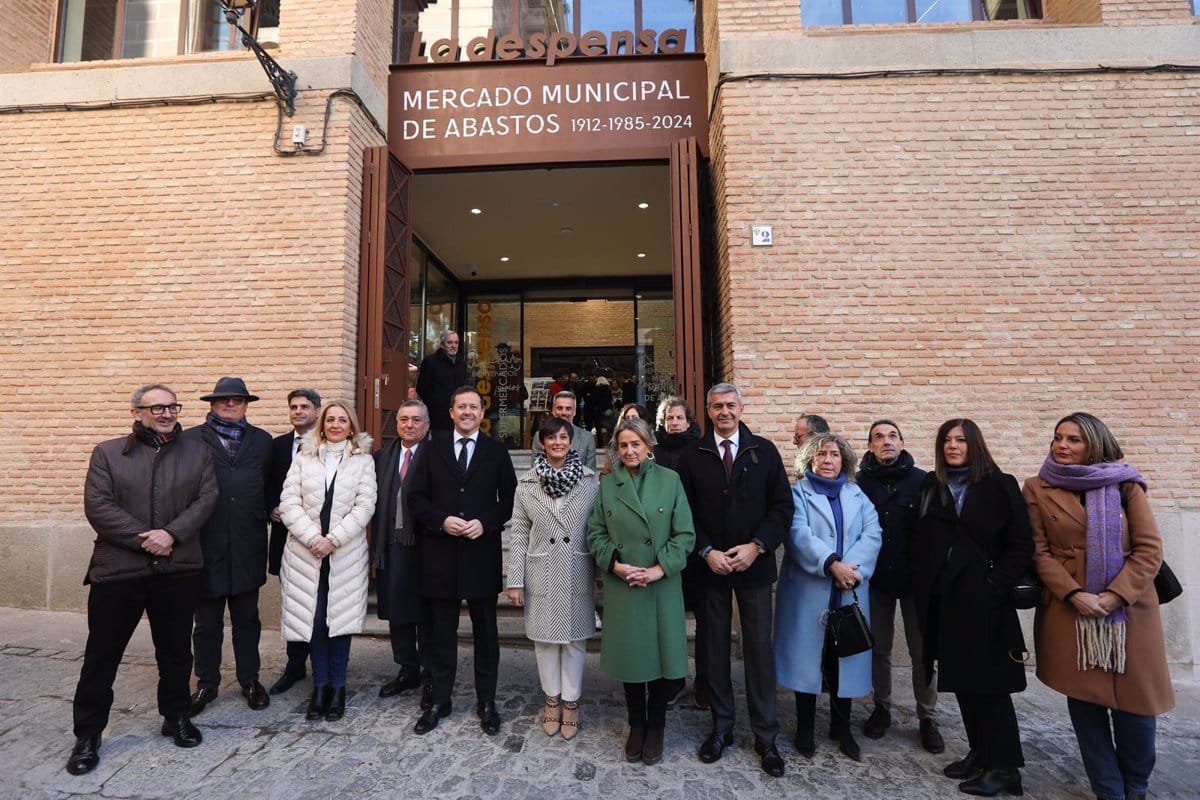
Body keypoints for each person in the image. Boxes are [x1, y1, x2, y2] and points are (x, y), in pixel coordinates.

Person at [67, 384, 218, 775]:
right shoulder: (108, 453)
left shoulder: (198, 451)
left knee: (175, 652)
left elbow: (206, 499)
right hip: (119, 570)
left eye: (172, 407)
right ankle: (88, 734)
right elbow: (98, 505)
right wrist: (145, 539)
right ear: (136, 412)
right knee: (102, 656)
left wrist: (171, 534)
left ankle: (177, 717)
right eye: (157, 408)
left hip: (177, 568)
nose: (166, 414)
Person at [1023, 413, 1174, 800]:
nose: (1062, 445)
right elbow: (1039, 553)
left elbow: (1149, 549)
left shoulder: (1126, 484)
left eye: (1074, 439)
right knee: (1086, 705)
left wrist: (1114, 596)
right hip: (1070, 610)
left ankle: (1136, 785)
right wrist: (1075, 594)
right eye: (1058, 437)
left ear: (1094, 443)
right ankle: (1109, 790)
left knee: (1137, 706)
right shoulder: (1037, 487)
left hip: (1130, 610)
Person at [912, 419, 1033, 797]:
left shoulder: (1000, 484)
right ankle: (981, 753)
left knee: (991, 685)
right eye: (946, 440)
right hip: (947, 601)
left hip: (986, 603)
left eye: (961, 440)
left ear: (975, 445)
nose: (952, 446)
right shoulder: (934, 485)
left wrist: (994, 583)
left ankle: (1005, 767)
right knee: (964, 682)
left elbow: (1021, 544)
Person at [679, 383, 792, 777]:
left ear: (741, 408)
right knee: (714, 651)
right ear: (708, 411)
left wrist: (757, 546)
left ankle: (766, 735)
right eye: (716, 406)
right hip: (710, 569)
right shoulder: (693, 455)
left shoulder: (765, 451)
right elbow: (684, 511)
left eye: (730, 405)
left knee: (759, 651)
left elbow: (782, 508)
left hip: (754, 567)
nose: (724, 411)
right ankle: (721, 728)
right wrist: (705, 550)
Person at [407, 386, 517, 736]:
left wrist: (486, 522)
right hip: (440, 556)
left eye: (474, 406)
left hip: (481, 554)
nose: (467, 412)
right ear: (451, 412)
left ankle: (487, 701)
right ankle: (440, 700)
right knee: (441, 634)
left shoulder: (497, 451)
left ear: (482, 414)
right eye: (461, 407)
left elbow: (509, 499)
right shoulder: (432, 449)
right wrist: (441, 520)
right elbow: (415, 497)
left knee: (486, 634)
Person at [586, 418, 695, 766]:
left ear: (649, 446)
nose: (630, 451)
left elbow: (685, 534)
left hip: (661, 584)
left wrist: (658, 569)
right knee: (632, 661)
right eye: (623, 445)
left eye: (636, 444)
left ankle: (657, 727)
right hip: (624, 584)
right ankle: (637, 725)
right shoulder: (607, 485)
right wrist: (616, 565)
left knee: (660, 660)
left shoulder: (670, 480)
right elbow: (595, 534)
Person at [775, 433, 881, 762]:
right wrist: (832, 564)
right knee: (809, 661)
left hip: (848, 591)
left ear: (843, 461)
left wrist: (851, 570)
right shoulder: (798, 494)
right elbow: (798, 534)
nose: (828, 460)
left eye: (834, 454)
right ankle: (805, 728)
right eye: (821, 454)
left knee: (842, 658)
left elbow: (873, 533)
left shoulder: (857, 494)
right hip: (809, 591)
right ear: (809, 460)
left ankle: (842, 726)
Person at [278, 401, 376, 722]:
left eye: (342, 420)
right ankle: (319, 686)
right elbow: (289, 503)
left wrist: (333, 539)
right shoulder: (303, 458)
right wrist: (313, 539)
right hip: (306, 555)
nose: (335, 425)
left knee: (339, 623)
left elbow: (365, 506)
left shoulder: (363, 461)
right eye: (330, 419)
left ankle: (338, 687)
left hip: (345, 554)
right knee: (316, 621)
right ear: (321, 425)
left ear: (351, 426)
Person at [506, 416, 598, 740]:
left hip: (576, 568)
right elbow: (519, 533)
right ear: (542, 443)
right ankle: (551, 701)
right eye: (551, 438)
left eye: (563, 437)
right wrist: (515, 579)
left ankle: (571, 703)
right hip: (541, 570)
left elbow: (598, 529)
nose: (557, 443)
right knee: (545, 643)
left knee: (574, 641)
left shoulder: (589, 481)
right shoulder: (526, 483)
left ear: (571, 442)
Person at [856, 419, 943, 753]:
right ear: (870, 446)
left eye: (892, 436)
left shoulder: (924, 481)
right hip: (876, 579)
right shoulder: (859, 483)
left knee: (922, 651)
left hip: (916, 582)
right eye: (878, 437)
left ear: (902, 442)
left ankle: (928, 717)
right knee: (878, 648)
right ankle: (882, 707)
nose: (886, 441)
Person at [187, 377, 273, 715]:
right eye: (224, 399)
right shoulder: (191, 440)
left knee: (247, 620)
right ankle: (206, 683)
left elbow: (271, 485)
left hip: (248, 542)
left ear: (246, 404)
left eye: (238, 399)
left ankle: (250, 680)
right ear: (212, 403)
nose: (231, 404)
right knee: (207, 623)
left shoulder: (262, 441)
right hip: (206, 544)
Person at [372, 399, 434, 708]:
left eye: (416, 420)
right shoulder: (381, 457)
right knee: (397, 611)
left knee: (426, 614)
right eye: (404, 419)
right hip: (391, 546)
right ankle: (407, 669)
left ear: (427, 424)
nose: (410, 425)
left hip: (425, 547)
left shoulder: (437, 456)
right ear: (396, 424)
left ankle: (431, 674)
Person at [652, 396, 708, 709]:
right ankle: (672, 681)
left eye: (679, 417)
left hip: (697, 546)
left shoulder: (701, 450)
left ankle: (705, 683)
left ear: (689, 421)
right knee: (668, 620)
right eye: (669, 418)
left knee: (705, 620)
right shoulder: (654, 452)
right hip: (663, 547)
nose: (674, 423)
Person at [265, 388, 321, 695]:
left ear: (317, 410)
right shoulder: (277, 446)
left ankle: (323, 668)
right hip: (286, 539)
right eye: (293, 407)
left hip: (320, 541)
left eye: (304, 406)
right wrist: (271, 508)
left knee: (320, 607)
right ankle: (295, 666)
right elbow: (266, 486)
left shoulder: (330, 443)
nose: (298, 411)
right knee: (294, 604)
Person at [416, 331, 467, 432]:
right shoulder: (430, 362)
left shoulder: (461, 363)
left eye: (456, 343)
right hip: (437, 416)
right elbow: (421, 388)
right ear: (442, 344)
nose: (453, 346)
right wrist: (435, 403)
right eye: (450, 343)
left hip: (458, 414)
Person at [532, 390, 597, 469]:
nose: (563, 412)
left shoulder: (587, 438)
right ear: (553, 410)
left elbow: (590, 472)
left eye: (568, 408)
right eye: (559, 408)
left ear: (574, 412)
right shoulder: (539, 435)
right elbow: (536, 469)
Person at [599, 403, 651, 475]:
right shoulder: (613, 446)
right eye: (627, 418)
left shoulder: (654, 444)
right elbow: (606, 472)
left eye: (634, 418)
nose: (630, 420)